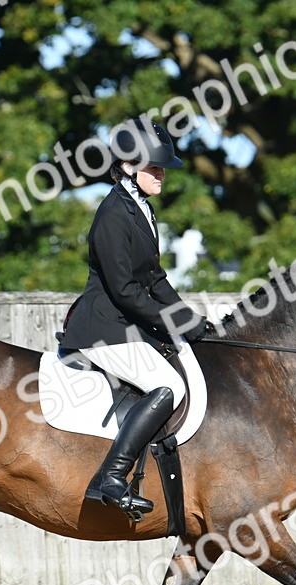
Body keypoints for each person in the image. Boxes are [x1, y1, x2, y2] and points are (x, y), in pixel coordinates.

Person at [62, 118, 211, 517]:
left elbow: (155, 279)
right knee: (166, 386)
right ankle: (110, 477)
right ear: (127, 166)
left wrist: (190, 320)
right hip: (103, 328)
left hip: (124, 325)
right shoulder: (113, 213)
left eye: (162, 166)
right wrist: (174, 323)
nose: (161, 173)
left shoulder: (141, 209)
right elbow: (125, 291)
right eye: (153, 166)